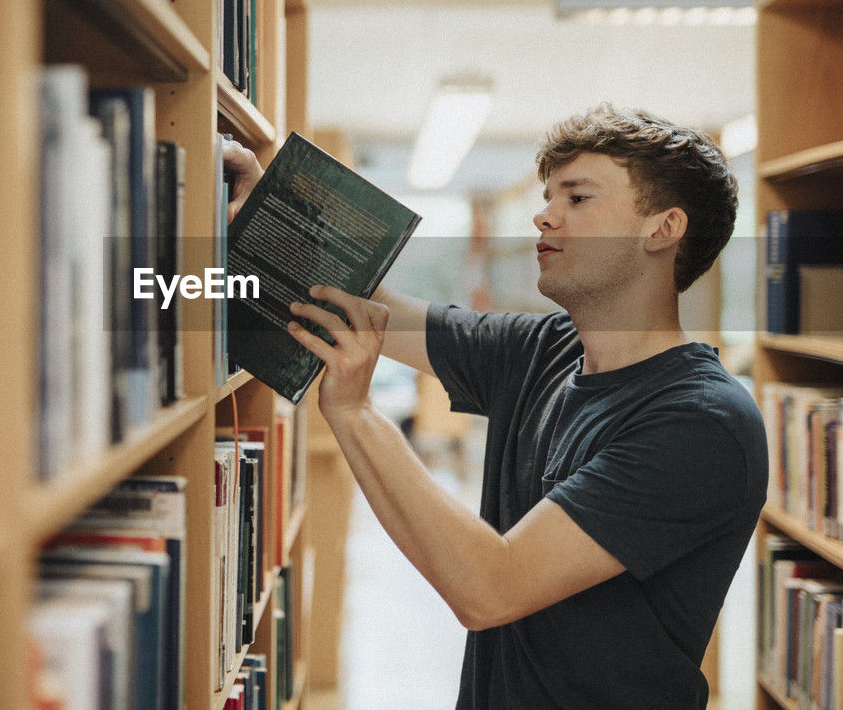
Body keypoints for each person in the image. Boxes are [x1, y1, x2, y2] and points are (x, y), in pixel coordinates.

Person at [222, 103, 766, 709]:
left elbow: (489, 588)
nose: (544, 215)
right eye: (547, 196)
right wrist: (262, 217)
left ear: (663, 229)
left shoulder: (700, 423)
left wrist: (356, 413)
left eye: (577, 198)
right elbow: (360, 305)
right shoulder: (544, 349)